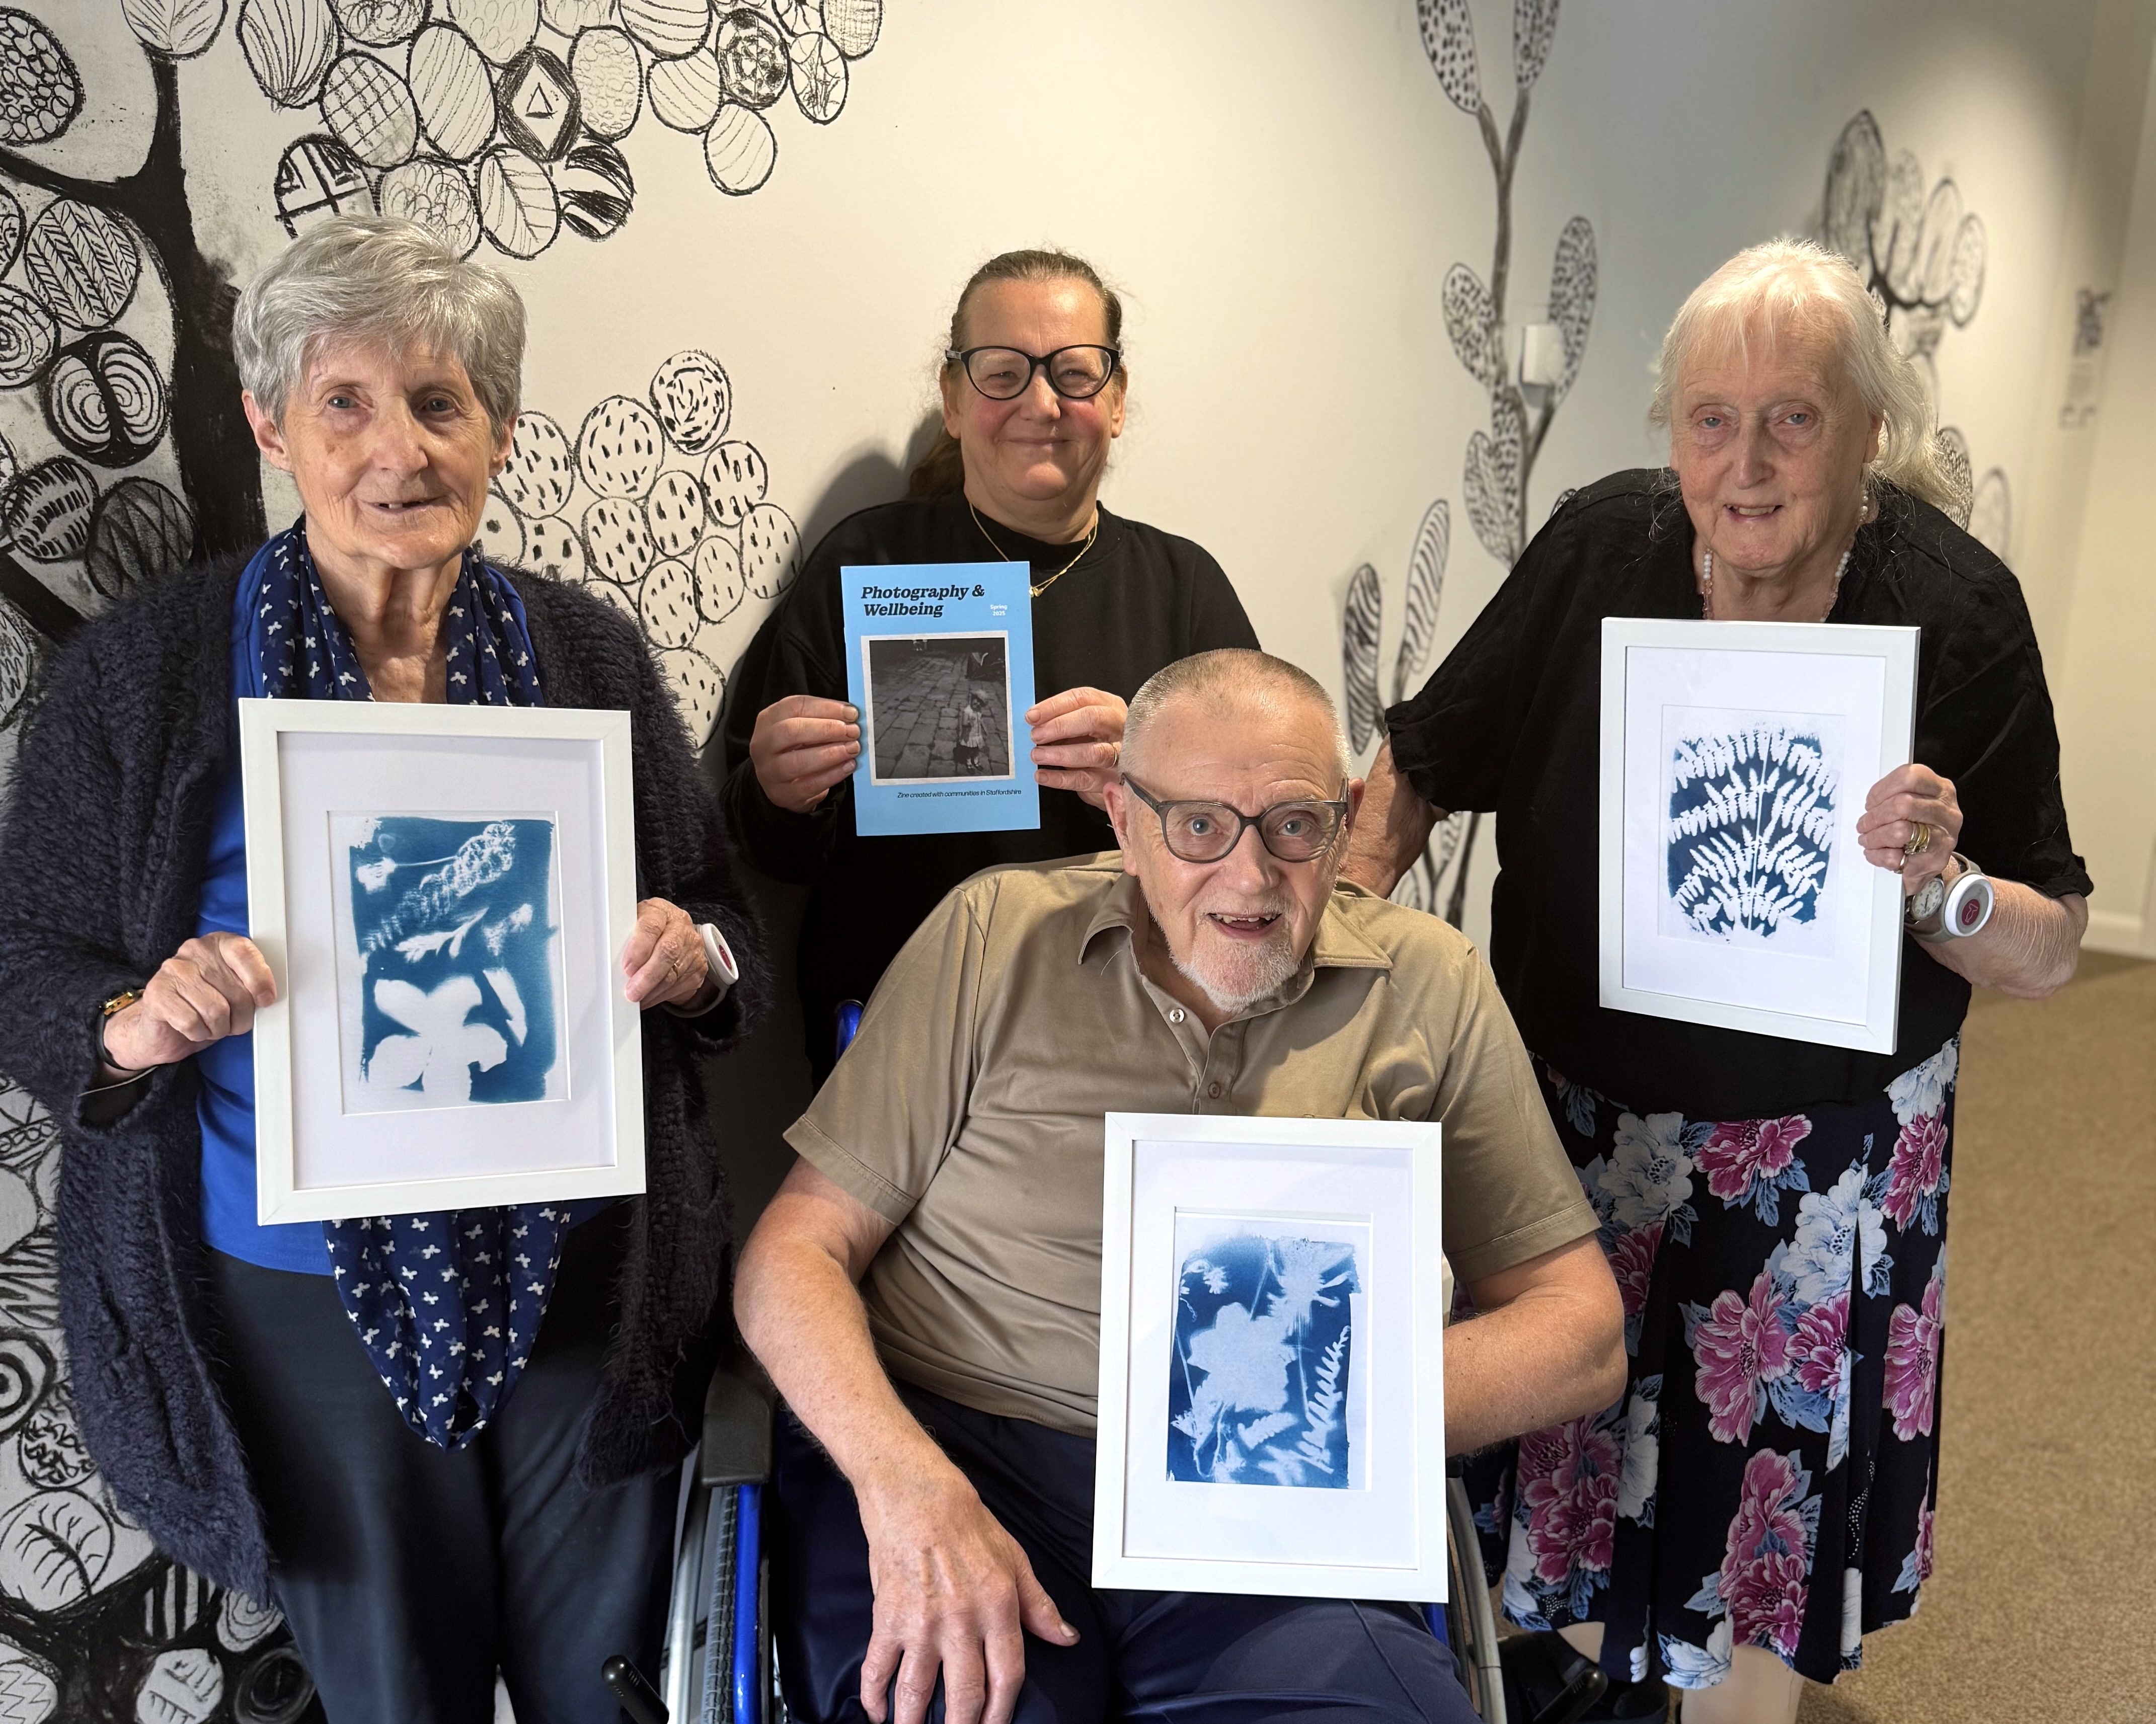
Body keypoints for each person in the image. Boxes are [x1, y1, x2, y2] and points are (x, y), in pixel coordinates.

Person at [0, 217, 766, 1724]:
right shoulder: (148, 674)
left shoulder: (586, 656)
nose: (396, 449)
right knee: (391, 1691)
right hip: (292, 1295)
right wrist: (133, 1023)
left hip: (576, 1285)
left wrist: (695, 957)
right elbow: (26, 954)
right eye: (343, 402)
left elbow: (717, 907)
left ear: (499, 427)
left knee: (600, 1686)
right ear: (269, 425)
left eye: (439, 401)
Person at [1343, 239, 2089, 1723]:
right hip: (1566, 1120)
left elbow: (2050, 942)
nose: (1743, 462)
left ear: (1868, 429)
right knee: (1565, 1466)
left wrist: (1935, 885)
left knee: (1759, 1513)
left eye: (1792, 419)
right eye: (1708, 417)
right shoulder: (1596, 549)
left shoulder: (1953, 604)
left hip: (1814, 1161)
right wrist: (1343, 961)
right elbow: (1422, 759)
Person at [734, 649, 1627, 1724]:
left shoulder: (1430, 983)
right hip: (968, 1453)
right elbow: (794, 1254)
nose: (1249, 878)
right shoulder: (991, 935)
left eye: (1294, 824)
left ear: (1344, 823)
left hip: (1269, 1500)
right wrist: (902, 1486)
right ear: (1122, 818)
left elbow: (1582, 1333)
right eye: (1197, 825)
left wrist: (1328, 1408)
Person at [720, 249, 1259, 1073]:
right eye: (1003, 372)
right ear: (953, 398)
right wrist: (780, 792)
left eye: (1075, 375)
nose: (1041, 403)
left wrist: (1155, 778)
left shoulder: (1184, 589)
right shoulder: (868, 562)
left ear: (1116, 401)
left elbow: (1264, 851)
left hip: (1130, 1047)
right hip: (900, 1048)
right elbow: (771, 855)